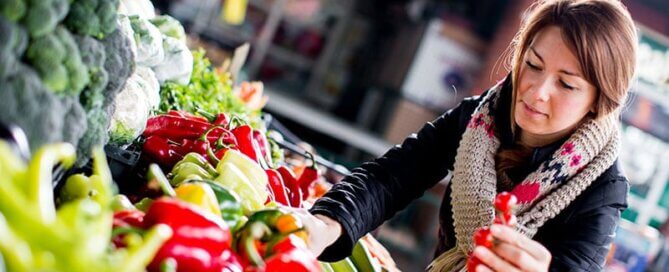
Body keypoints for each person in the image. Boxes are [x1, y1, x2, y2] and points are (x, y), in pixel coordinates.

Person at [289, 0, 638, 271]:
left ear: (598, 102)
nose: (537, 91)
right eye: (532, 65)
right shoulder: (480, 118)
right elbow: (390, 177)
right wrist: (326, 224)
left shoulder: (602, 188)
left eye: (566, 84)